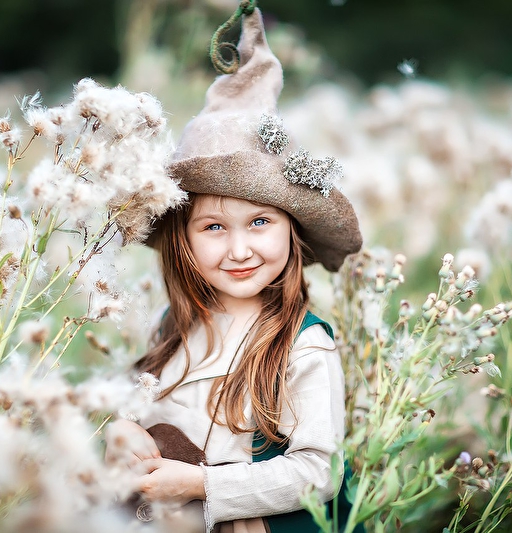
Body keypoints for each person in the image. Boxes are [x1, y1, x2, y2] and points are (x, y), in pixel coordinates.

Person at [105, 5, 362, 532]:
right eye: (214, 227)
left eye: (260, 222)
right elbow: (141, 410)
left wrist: (201, 485)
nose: (239, 250)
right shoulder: (173, 325)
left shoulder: (302, 346)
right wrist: (122, 431)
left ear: (292, 230)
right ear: (182, 239)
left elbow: (319, 473)